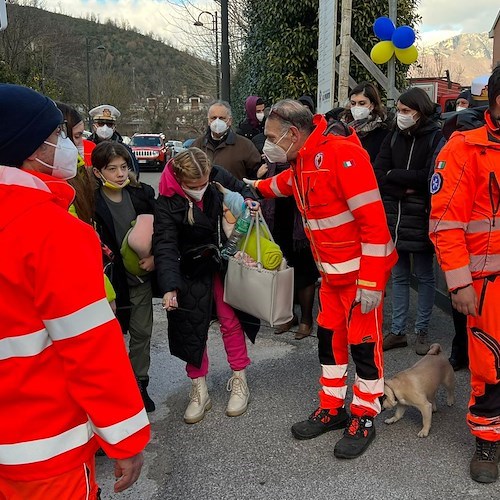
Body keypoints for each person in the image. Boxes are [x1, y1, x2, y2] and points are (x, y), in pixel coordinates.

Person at [0, 83, 150, 498]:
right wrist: (125, 440)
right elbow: (90, 347)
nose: (71, 144)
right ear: (32, 148)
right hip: (43, 451)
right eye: (62, 136)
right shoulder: (52, 232)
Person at [246, 99, 397, 459]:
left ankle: (364, 414)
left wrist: (373, 283)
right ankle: (332, 407)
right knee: (329, 344)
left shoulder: (343, 156)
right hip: (331, 277)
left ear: (292, 134)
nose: (265, 143)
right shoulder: (303, 160)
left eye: (270, 136)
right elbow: (285, 185)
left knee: (364, 349)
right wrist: (247, 185)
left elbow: (375, 226)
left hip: (360, 279)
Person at [429, 66, 500, 484]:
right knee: (489, 364)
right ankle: (488, 440)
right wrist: (458, 282)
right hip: (485, 284)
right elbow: (445, 223)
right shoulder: (464, 149)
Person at [154, 148, 258, 424]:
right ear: (179, 179)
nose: (201, 188)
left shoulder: (214, 174)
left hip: (220, 261)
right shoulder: (166, 199)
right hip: (188, 268)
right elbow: (164, 244)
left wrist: (249, 199)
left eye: (204, 183)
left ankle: (239, 379)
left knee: (230, 320)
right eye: (194, 186)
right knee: (191, 326)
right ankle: (198, 387)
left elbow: (242, 188)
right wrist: (169, 287)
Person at [374, 87, 443, 356]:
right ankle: (398, 331)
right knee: (400, 275)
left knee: (425, 276)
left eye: (405, 111)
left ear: (420, 111)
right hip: (394, 218)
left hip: (423, 218)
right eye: (398, 111)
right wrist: (403, 183)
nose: (400, 116)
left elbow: (429, 178)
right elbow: (379, 173)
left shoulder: (436, 138)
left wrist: (395, 176)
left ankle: (422, 331)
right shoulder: (393, 137)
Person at [92, 141, 157, 413]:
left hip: (140, 278)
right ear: (98, 173)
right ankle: (120, 390)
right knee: (114, 337)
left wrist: (154, 258)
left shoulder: (141, 195)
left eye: (124, 167)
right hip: (109, 281)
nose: (120, 174)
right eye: (111, 169)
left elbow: (160, 230)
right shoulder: (91, 201)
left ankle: (140, 383)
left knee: (142, 333)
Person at [192, 100, 262, 180]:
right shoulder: (197, 145)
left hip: (234, 191)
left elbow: (256, 174)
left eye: (222, 118)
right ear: (208, 120)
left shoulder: (245, 146)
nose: (217, 121)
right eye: (213, 118)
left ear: (230, 121)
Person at [340, 81, 390, 164]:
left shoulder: (383, 130)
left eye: (362, 103)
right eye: (353, 103)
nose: (356, 107)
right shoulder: (342, 127)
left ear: (372, 105)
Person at [88, 104, 140, 175]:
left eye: (109, 124)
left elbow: (134, 174)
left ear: (114, 127)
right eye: (101, 124)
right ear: (94, 126)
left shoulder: (125, 149)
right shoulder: (86, 148)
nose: (105, 127)